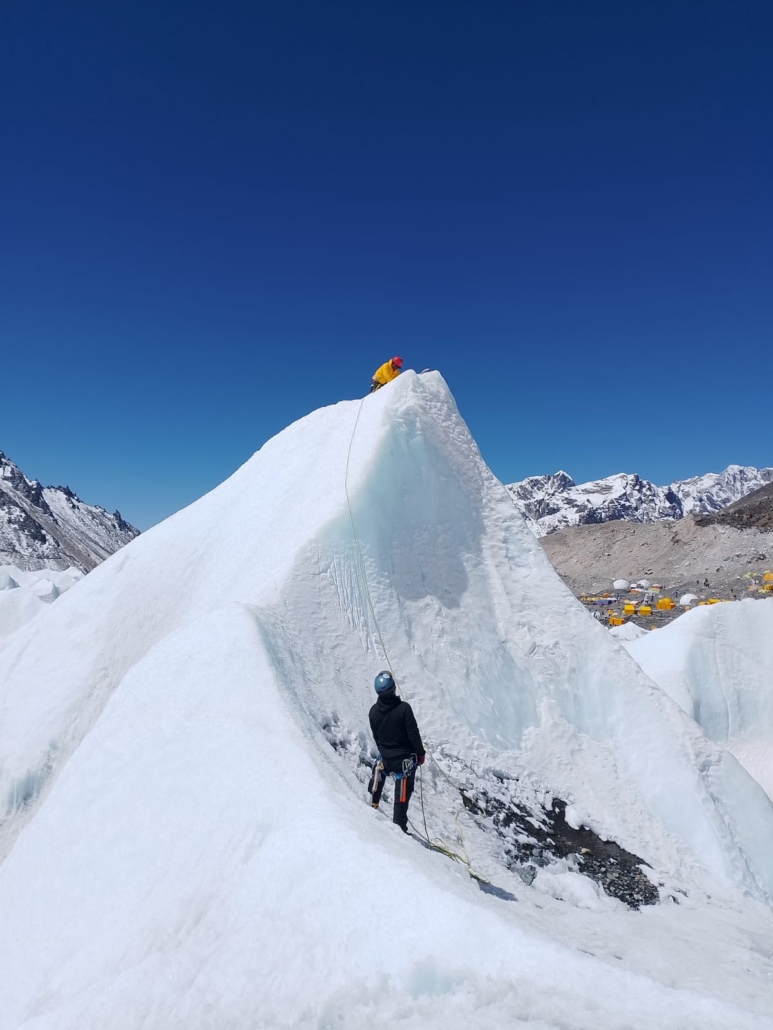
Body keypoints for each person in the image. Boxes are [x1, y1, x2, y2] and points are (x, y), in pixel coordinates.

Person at [367, 670, 425, 832]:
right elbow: (413, 734)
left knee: (377, 779)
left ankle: (372, 806)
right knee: (403, 792)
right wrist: (420, 754)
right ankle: (399, 826)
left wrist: (385, 752)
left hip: (384, 758)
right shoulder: (404, 709)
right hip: (404, 761)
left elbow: (376, 736)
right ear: (393, 689)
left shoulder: (373, 711)